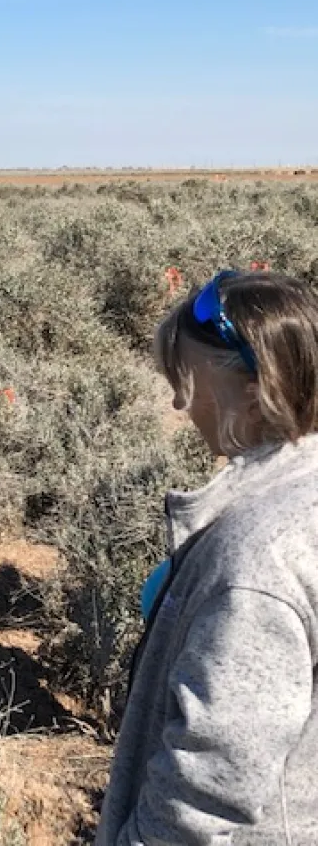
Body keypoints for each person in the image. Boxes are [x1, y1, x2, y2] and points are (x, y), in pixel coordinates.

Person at [96, 269, 318, 845]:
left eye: (187, 378)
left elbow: (212, 777)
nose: (178, 401)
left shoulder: (258, 556)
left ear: (252, 383)